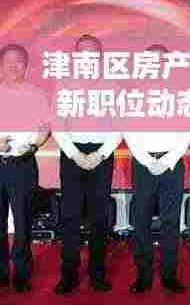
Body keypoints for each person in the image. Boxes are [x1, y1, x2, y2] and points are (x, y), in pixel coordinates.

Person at [52, 34, 122, 295]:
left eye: (92, 53)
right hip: (72, 155)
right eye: (82, 53)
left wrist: (100, 154)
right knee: (70, 215)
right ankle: (68, 274)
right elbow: (57, 124)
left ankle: (97, 273)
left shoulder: (112, 86)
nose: (87, 57)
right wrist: (75, 154)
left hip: (101, 156)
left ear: (100, 57)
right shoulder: (64, 84)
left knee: (99, 217)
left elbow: (120, 125)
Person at [123, 44, 190, 294]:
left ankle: (169, 275)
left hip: (172, 165)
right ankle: (143, 275)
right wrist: (146, 160)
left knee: (171, 222)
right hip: (143, 165)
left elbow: (186, 131)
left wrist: (167, 160)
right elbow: (128, 130)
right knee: (141, 220)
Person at [0, 44, 50, 293]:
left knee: (22, 222)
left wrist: (33, 145)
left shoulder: (37, 94)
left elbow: (45, 127)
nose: (13, 65)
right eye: (8, 60)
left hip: (23, 164)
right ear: (1, 64)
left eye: (19, 60)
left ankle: (21, 273)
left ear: (26, 65)